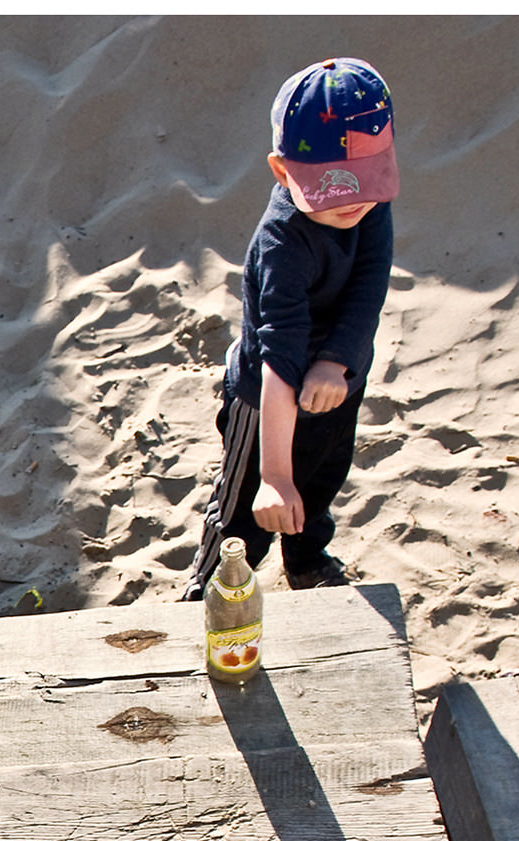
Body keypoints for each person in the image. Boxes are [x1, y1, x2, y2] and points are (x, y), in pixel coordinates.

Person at [182, 57, 399, 601]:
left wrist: (338, 361)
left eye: (366, 182)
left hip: (337, 383)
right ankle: (207, 590)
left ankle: (305, 561)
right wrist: (275, 474)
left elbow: (369, 283)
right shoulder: (282, 243)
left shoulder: (368, 202)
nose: (353, 201)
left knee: (321, 482)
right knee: (244, 513)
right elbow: (279, 356)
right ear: (283, 172)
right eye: (334, 189)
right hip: (267, 399)